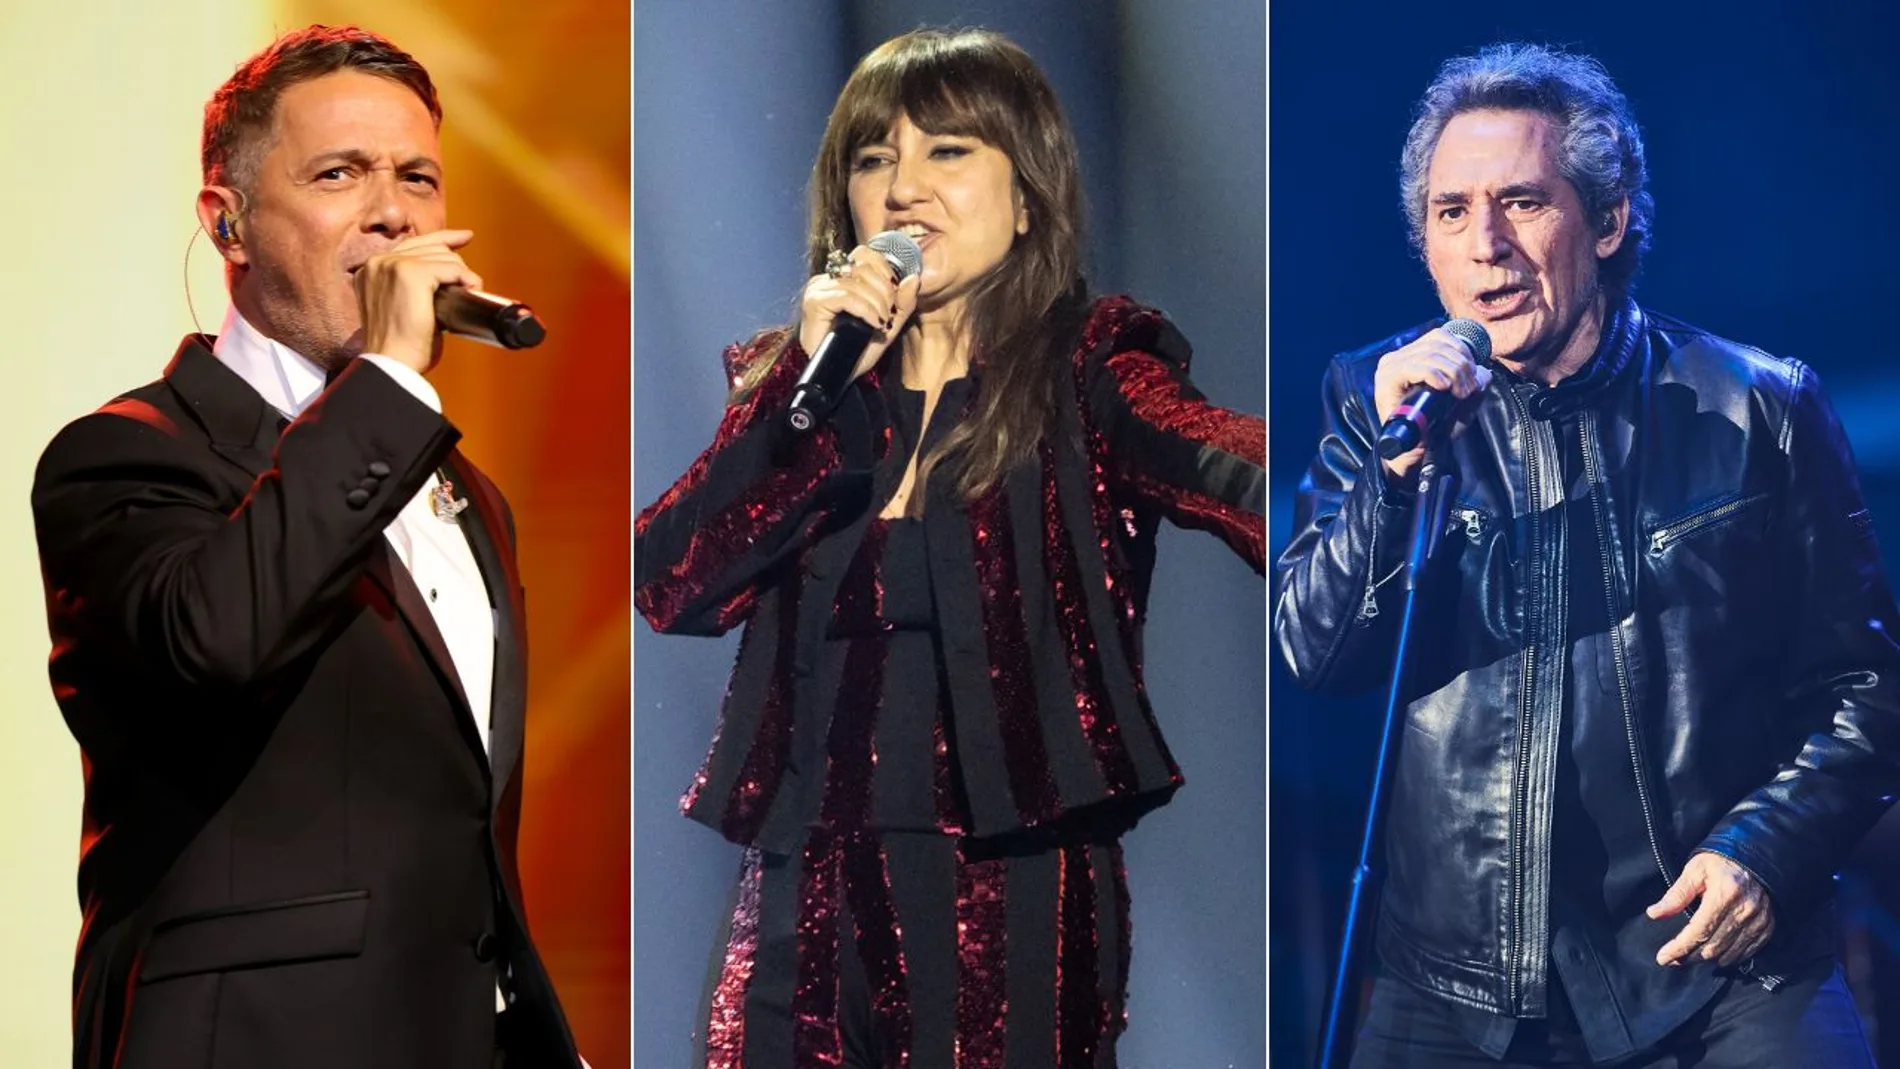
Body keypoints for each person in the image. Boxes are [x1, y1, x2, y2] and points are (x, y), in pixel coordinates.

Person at [635, 27, 1265, 1069]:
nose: (903, 187)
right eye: (874, 158)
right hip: (801, 897)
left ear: (1028, 200)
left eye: (949, 151)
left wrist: (1353, 472)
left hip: (1010, 893)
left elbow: (1221, 459)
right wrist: (801, 397)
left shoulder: (1092, 371)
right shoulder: (803, 397)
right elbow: (669, 580)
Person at [1275, 42, 1899, 1067]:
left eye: (1521, 202)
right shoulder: (1376, 400)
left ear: (1606, 221)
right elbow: (1318, 655)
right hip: (1459, 987)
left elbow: (1866, 686)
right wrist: (1393, 484)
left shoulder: (1757, 407)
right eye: (1450, 212)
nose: (1486, 245)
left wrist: (1766, 853)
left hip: (1717, 967)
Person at [31, 26, 579, 1069]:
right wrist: (390, 390)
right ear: (226, 220)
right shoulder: (125, 457)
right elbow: (216, 638)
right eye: (340, 174)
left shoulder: (466, 493)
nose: (392, 211)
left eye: (417, 176)